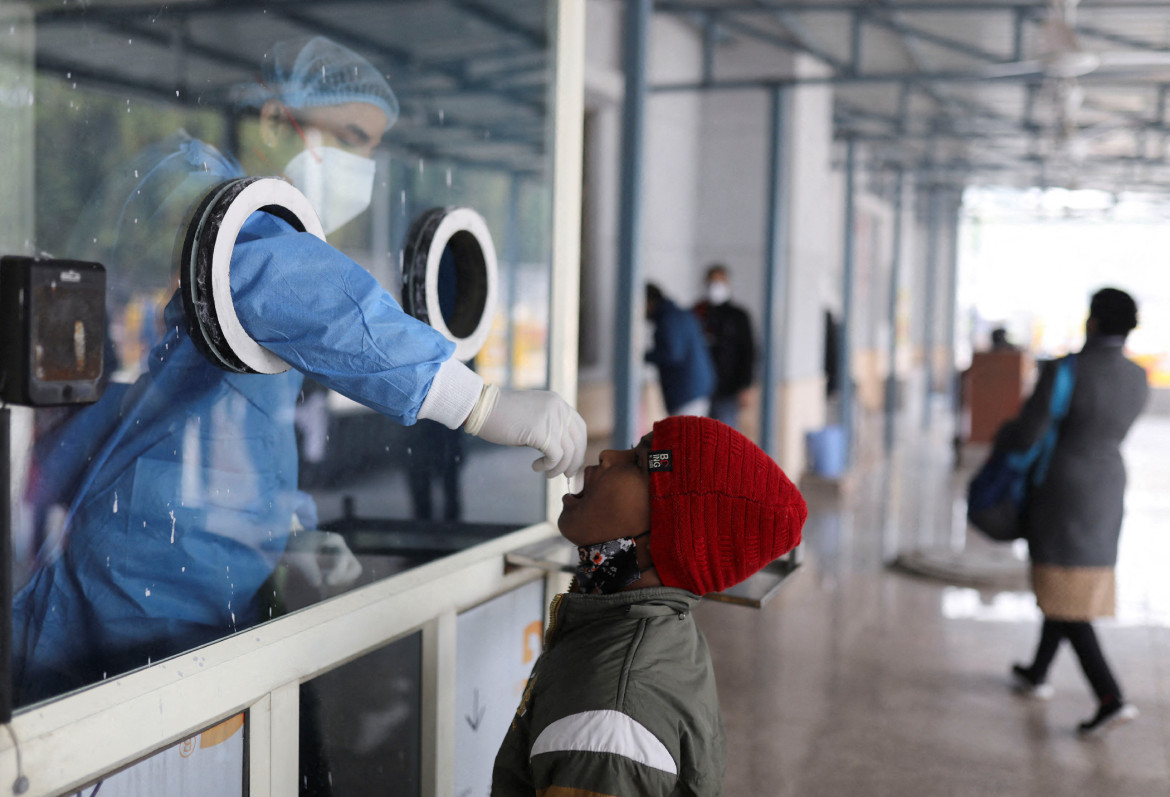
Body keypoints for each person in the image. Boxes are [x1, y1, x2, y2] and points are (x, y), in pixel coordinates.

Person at [12, 36, 586, 706]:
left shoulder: (274, 238)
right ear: (277, 122)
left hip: (206, 580)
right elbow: (293, 287)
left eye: (371, 146)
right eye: (348, 135)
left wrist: (288, 523)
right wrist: (480, 403)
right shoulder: (197, 189)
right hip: (139, 577)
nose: (362, 163)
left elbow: (245, 418)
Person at [491, 415, 808, 795]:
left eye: (640, 463)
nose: (607, 455)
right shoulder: (656, 624)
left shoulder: (606, 727)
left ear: (672, 538)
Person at [1003, 288, 1149, 736]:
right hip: (1107, 485)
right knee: (1069, 579)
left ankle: (1110, 696)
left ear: (1095, 321)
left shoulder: (1067, 368)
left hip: (1062, 485)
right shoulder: (1138, 377)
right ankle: (1037, 672)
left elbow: (1031, 429)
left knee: (1062, 587)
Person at [692, 264, 755, 429]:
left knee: (724, 435)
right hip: (699, 389)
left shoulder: (738, 316)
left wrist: (745, 386)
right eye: (712, 282)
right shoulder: (697, 312)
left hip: (728, 389)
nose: (715, 286)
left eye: (720, 282)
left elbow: (748, 352)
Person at [644, 283, 716, 416]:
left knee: (684, 435)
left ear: (649, 302)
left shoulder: (669, 319)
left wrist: (642, 356)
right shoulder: (678, 314)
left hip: (686, 391)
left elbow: (672, 354)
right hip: (694, 389)